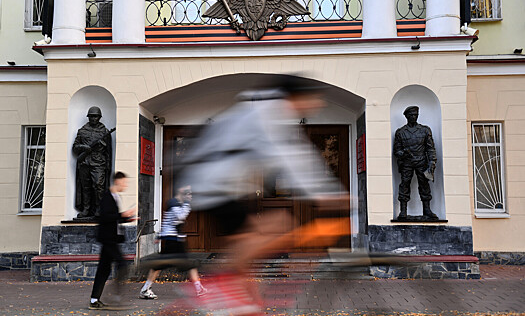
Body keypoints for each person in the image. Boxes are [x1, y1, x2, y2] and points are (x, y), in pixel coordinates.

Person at [176, 75, 347, 301]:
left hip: (216, 184)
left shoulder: (258, 109)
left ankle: (240, 296)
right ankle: (223, 280)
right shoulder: (268, 113)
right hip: (213, 185)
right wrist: (326, 194)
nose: (318, 104)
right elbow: (291, 157)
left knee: (247, 241)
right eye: (313, 99)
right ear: (297, 97)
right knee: (281, 224)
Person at [139, 185, 206, 299]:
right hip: (172, 239)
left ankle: (199, 288)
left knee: (187, 263)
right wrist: (187, 204)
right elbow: (180, 217)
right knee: (161, 265)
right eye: (188, 192)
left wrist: (160, 235)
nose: (190, 195)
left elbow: (168, 221)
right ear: (181, 191)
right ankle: (145, 289)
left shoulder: (177, 203)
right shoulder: (174, 203)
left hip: (176, 238)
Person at [89, 171, 138, 310]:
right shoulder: (107, 197)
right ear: (117, 182)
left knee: (103, 270)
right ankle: (115, 295)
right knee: (122, 264)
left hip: (111, 239)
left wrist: (128, 218)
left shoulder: (115, 197)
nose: (125, 185)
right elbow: (104, 216)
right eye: (124, 183)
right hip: (108, 239)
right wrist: (123, 214)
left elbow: (114, 218)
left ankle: (94, 300)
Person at [393, 106, 438, 219]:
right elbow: (396, 151)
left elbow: (430, 148)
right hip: (407, 163)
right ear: (406, 116)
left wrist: (432, 162)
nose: (413, 117)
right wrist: (403, 153)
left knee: (424, 185)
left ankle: (427, 210)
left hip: (421, 162)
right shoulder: (400, 132)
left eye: (415, 115)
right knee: (404, 184)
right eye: (411, 115)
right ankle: (403, 211)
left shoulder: (425, 130)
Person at [73, 106, 113, 219]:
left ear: (99, 117)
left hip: (99, 163)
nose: (93, 118)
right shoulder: (82, 131)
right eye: (91, 116)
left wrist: (108, 165)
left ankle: (99, 209)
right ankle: (86, 209)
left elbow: (108, 151)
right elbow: (75, 148)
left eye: (95, 116)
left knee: (98, 185)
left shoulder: (104, 132)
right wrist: (84, 147)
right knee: (85, 186)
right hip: (85, 162)